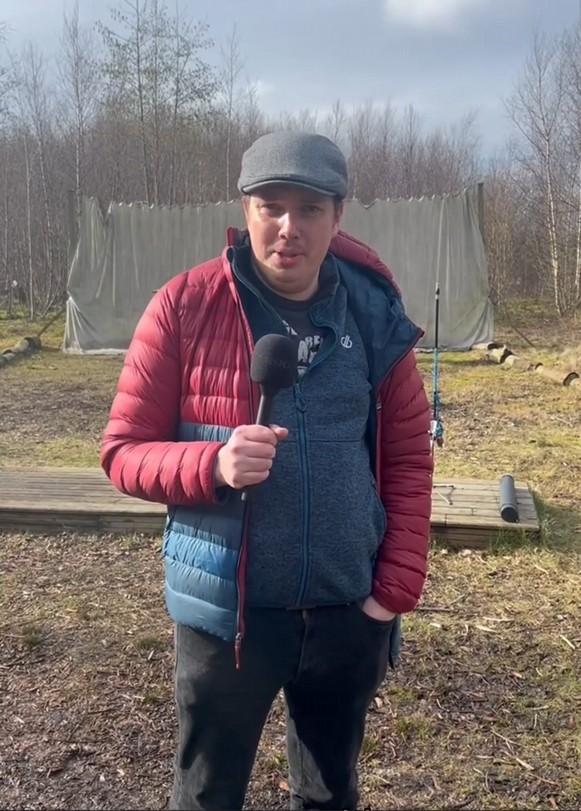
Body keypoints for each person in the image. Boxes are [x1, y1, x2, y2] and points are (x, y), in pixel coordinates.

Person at [101, 130, 434, 811]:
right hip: (230, 622)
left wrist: (389, 593)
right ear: (244, 208)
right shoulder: (183, 307)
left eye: (309, 208)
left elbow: (406, 457)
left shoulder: (373, 318)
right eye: (271, 205)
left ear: (338, 215)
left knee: (329, 792)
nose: (289, 227)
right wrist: (212, 462)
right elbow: (123, 450)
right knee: (206, 793)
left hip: (348, 613)